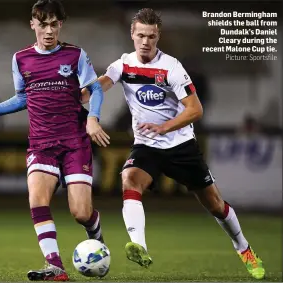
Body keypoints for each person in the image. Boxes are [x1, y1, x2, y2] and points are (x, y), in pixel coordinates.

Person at [81, 8, 265, 280]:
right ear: (132, 35)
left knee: (215, 204)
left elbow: (195, 110)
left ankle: (245, 249)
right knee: (129, 178)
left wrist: (164, 126)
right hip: (147, 146)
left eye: (151, 37)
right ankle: (139, 246)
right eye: (141, 35)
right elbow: (97, 88)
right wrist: (79, 97)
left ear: (158, 37)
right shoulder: (123, 65)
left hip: (181, 146)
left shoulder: (171, 68)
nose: (146, 42)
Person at [0, 0, 110, 281]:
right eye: (43, 25)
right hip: (41, 143)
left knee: (81, 213)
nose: (49, 31)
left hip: (74, 142)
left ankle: (95, 228)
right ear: (33, 24)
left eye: (54, 24)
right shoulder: (21, 59)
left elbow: (94, 89)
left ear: (60, 25)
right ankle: (55, 267)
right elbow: (22, 98)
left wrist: (93, 118)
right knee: (37, 200)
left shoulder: (75, 55)